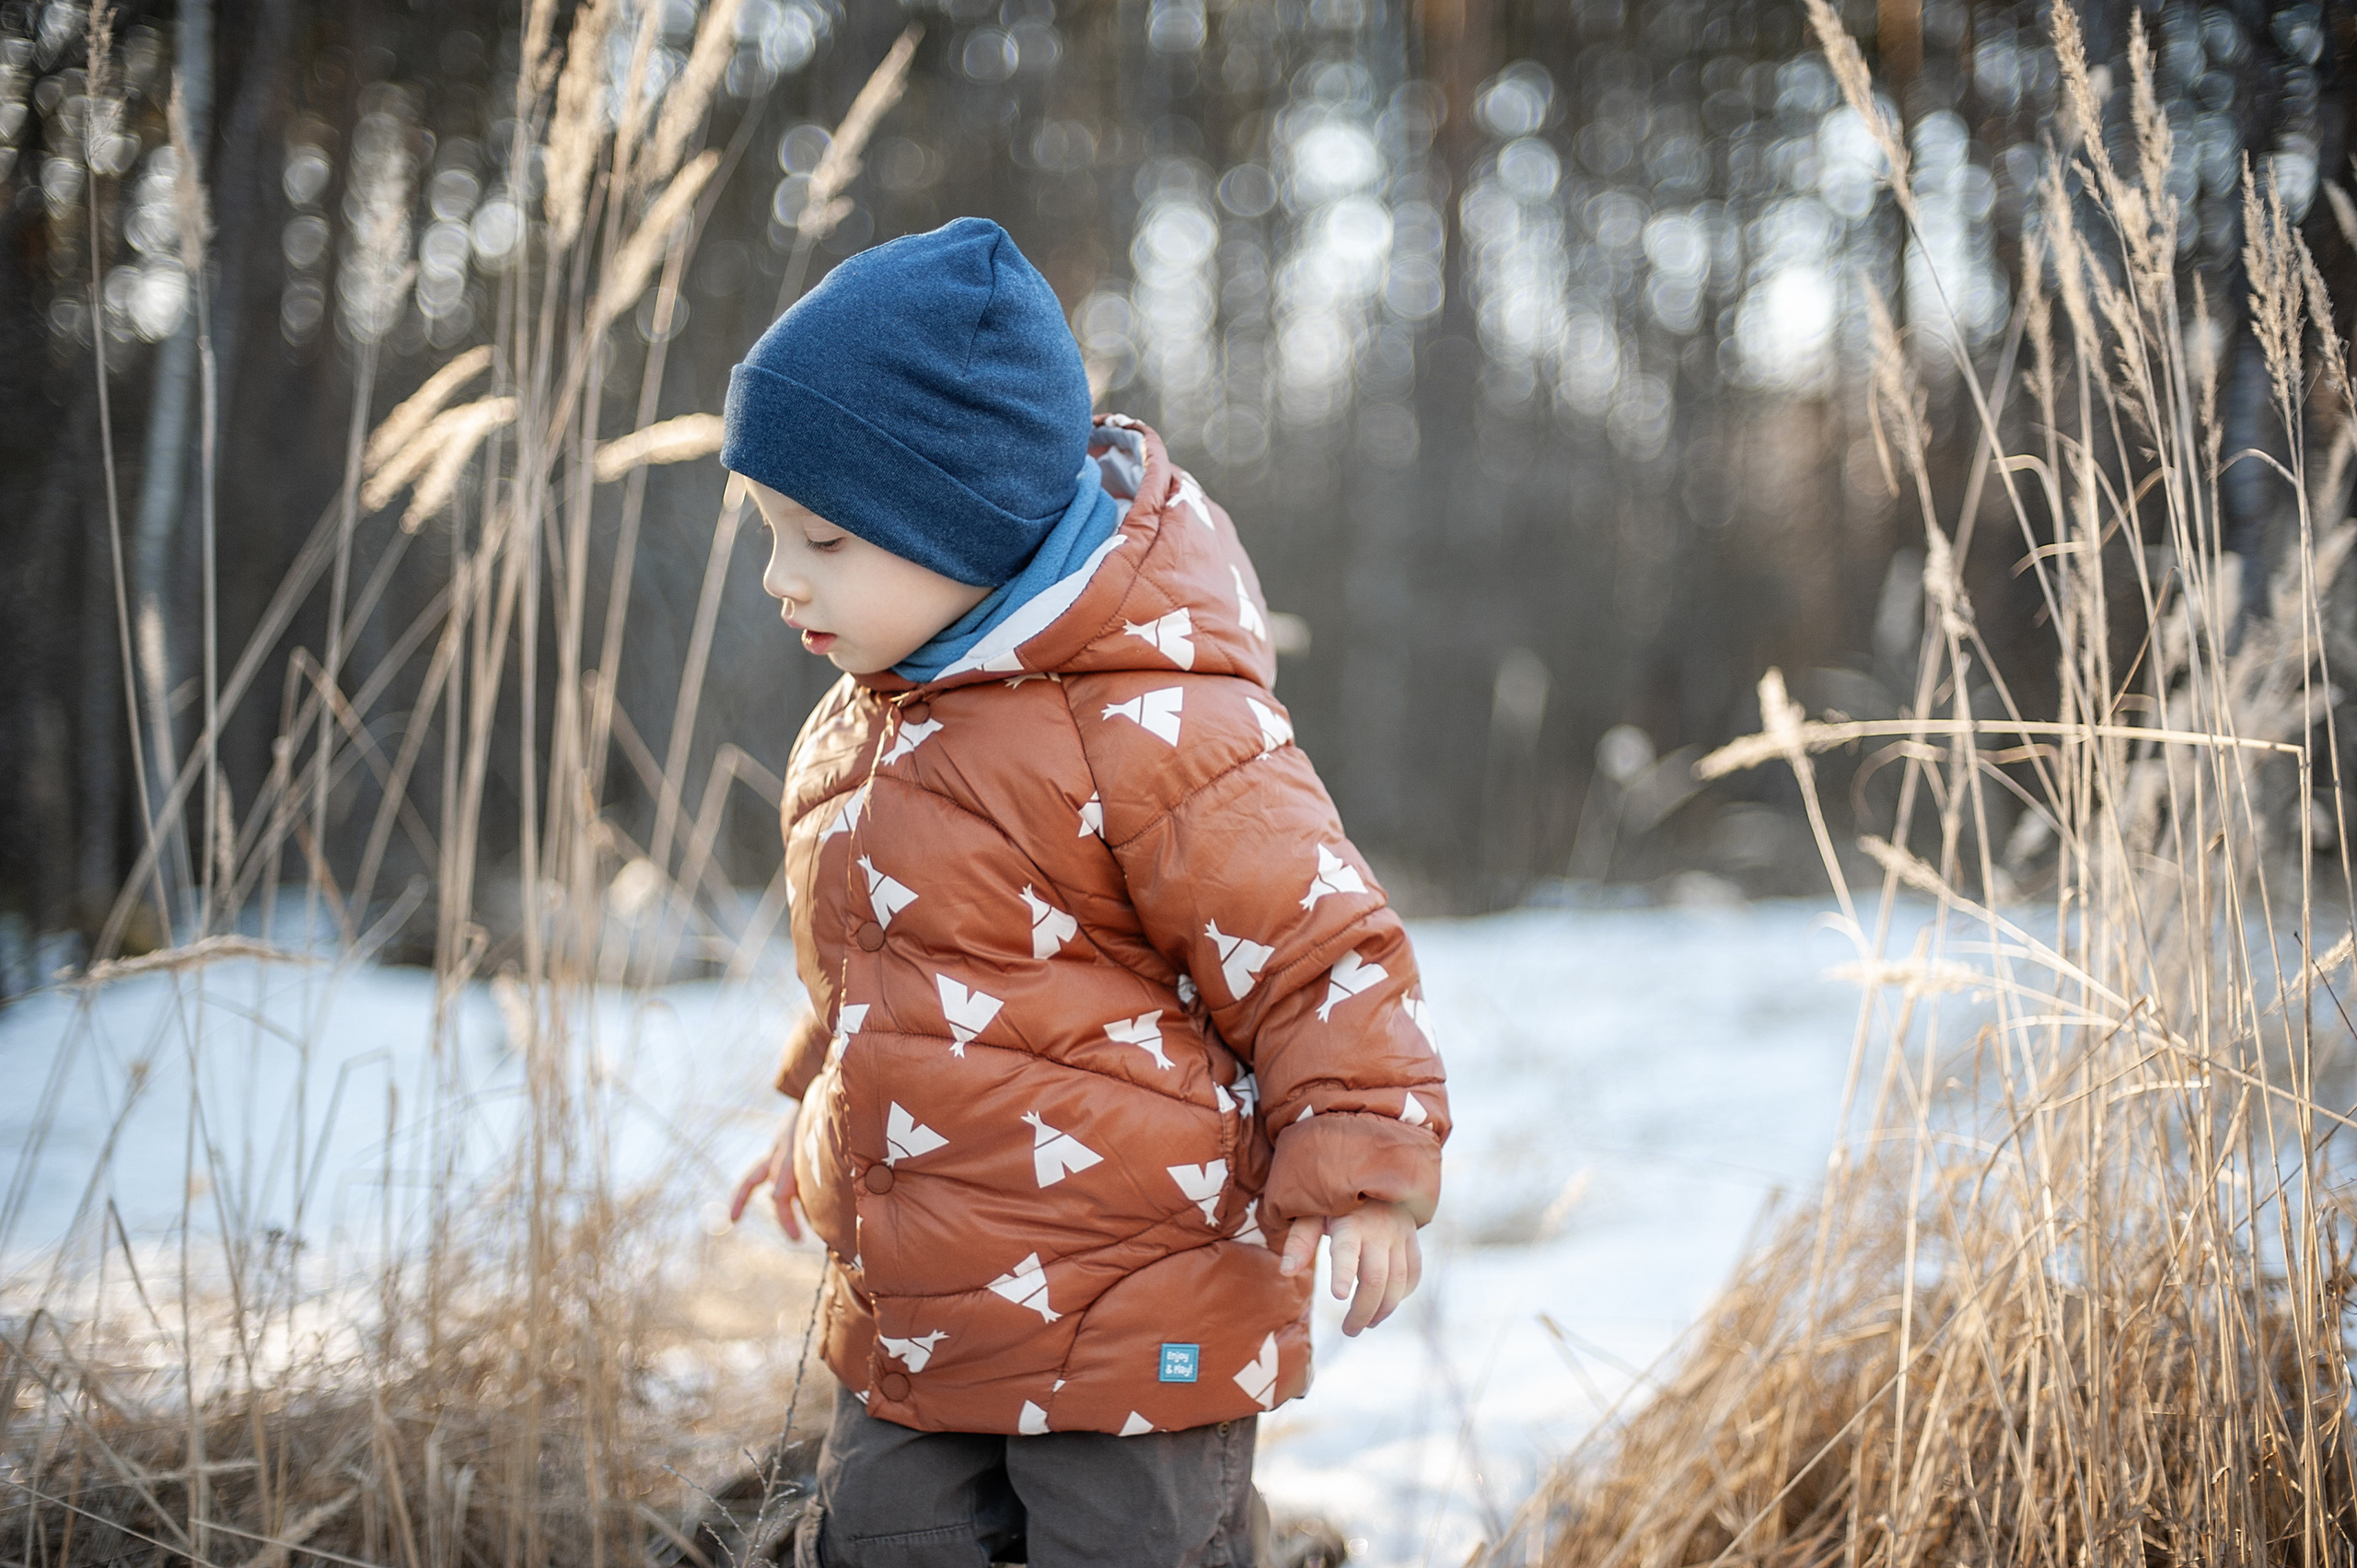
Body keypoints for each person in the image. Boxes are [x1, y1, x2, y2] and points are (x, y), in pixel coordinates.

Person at [722, 216, 1450, 1568]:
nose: (781, 579)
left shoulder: (1156, 722)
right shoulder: (860, 727)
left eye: (822, 538)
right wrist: (816, 1113)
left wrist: (1362, 1164)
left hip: (1140, 1302)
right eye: (768, 532)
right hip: (921, 1296)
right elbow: (877, 967)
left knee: (1131, 1550)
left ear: (965, 522)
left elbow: (1316, 950)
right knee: (882, 1539)